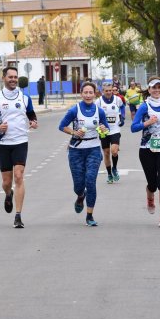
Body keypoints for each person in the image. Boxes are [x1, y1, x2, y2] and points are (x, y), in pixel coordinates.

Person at [0, 66, 38, 229]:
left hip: (21, 141)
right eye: (10, 77)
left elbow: (31, 115)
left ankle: (18, 215)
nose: (13, 79)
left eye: (15, 77)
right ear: (3, 78)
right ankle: (8, 193)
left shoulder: (24, 98)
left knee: (19, 176)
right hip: (3, 144)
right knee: (6, 182)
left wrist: (33, 122)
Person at [58, 81, 109, 226]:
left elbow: (105, 129)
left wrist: (104, 130)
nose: (88, 95)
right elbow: (62, 126)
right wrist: (74, 132)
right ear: (81, 94)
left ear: (95, 94)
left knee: (91, 181)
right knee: (78, 185)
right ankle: (80, 195)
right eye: (85, 92)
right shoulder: (74, 110)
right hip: (76, 151)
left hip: (93, 149)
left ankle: (90, 215)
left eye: (90, 92)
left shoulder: (100, 111)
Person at [131, 77, 160, 228]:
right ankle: (150, 196)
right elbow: (133, 127)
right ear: (149, 90)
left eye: (159, 87)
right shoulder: (144, 107)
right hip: (147, 149)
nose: (157, 90)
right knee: (153, 184)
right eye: (153, 88)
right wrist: (147, 123)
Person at [96, 82, 125, 184]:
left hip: (115, 129)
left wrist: (122, 117)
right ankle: (109, 174)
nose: (108, 92)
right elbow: (95, 113)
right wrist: (98, 124)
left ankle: (115, 168)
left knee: (114, 151)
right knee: (107, 153)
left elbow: (122, 107)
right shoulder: (98, 101)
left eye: (110, 90)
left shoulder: (117, 100)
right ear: (102, 91)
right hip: (104, 131)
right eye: (106, 91)